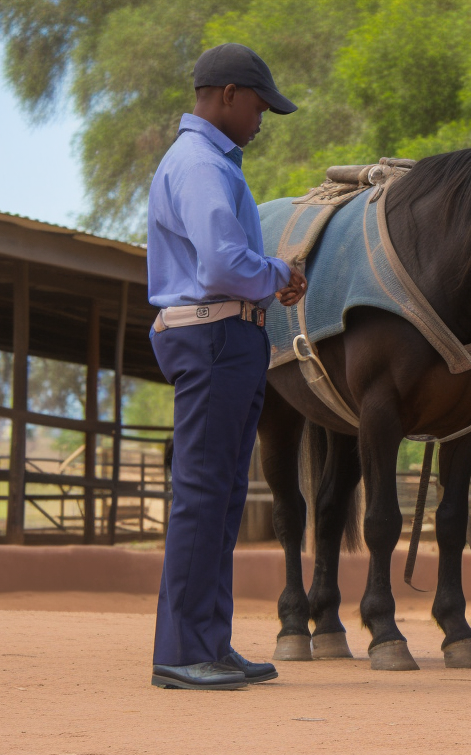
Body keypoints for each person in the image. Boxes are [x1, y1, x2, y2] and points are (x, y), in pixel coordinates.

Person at [147, 43, 306, 690]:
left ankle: (207, 642)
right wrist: (278, 273)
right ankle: (182, 649)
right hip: (213, 336)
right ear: (230, 95)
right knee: (203, 495)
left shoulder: (209, 162)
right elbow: (218, 264)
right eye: (261, 105)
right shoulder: (201, 165)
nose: (264, 119)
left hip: (227, 338)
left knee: (222, 496)